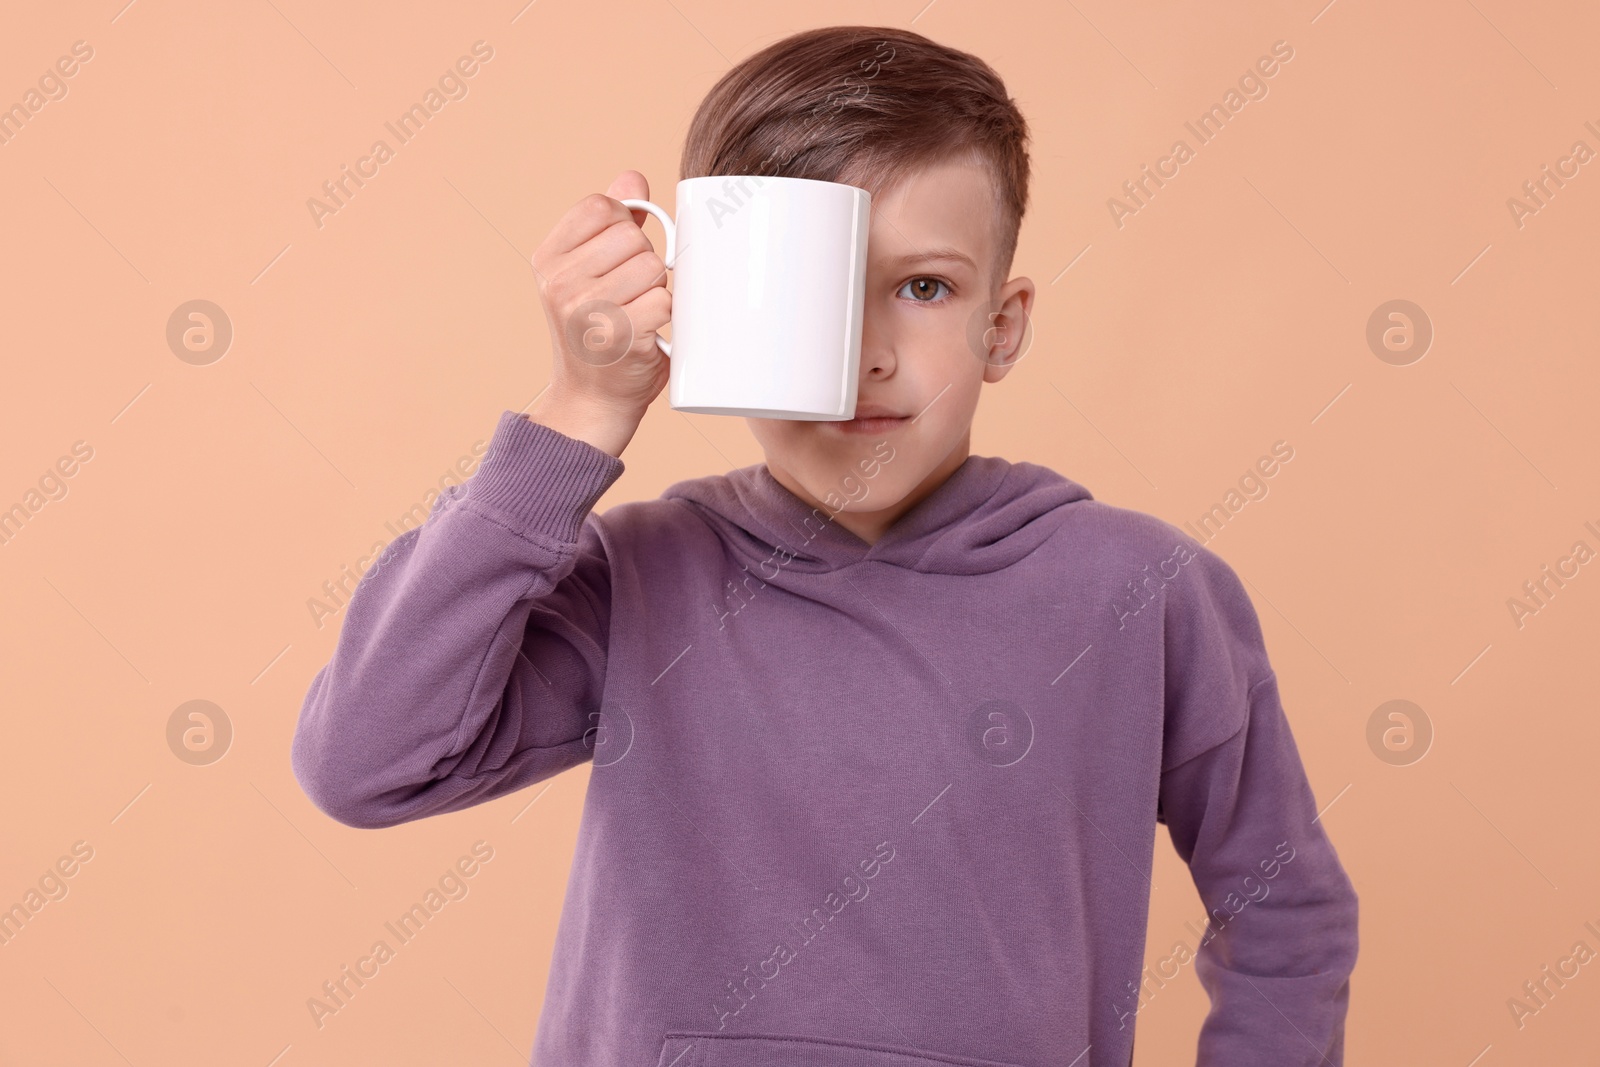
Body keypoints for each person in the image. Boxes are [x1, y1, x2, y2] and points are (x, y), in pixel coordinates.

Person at [291, 24, 1357, 1067]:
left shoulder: (1139, 591)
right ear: (699, 306)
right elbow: (366, 761)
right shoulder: (638, 579)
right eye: (813, 289)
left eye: (922, 286)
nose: (864, 350)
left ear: (1004, 325)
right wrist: (581, 404)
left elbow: (1287, 915)